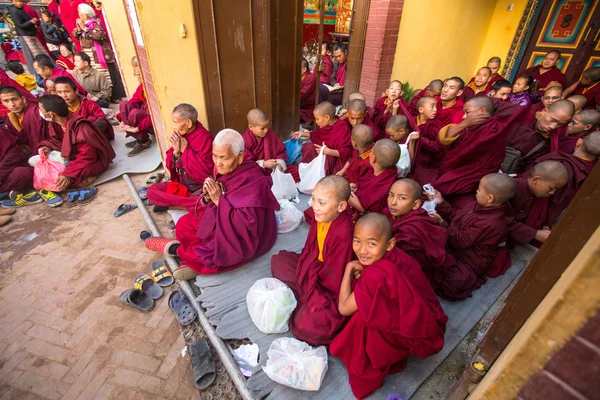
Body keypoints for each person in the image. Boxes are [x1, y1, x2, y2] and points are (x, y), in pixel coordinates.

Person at [330, 213, 447, 400]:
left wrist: (348, 270)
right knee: (363, 301)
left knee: (360, 317)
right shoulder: (398, 256)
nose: (362, 250)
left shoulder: (376, 275)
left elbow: (343, 308)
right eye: (357, 241)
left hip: (408, 333)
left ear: (390, 244)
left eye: (372, 244)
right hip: (423, 323)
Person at [145, 129, 280, 280]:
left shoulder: (254, 180)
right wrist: (208, 198)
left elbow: (246, 226)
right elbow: (216, 201)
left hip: (242, 234)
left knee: (219, 254)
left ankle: (177, 250)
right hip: (221, 215)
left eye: (223, 158)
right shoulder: (223, 168)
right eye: (214, 156)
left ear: (240, 157)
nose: (217, 163)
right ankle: (194, 257)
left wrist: (218, 200)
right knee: (183, 224)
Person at [271, 175, 354, 345]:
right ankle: (303, 299)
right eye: (313, 199)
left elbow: (334, 280)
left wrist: (312, 284)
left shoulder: (344, 232)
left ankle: (304, 301)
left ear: (341, 206)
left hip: (327, 285)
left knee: (307, 326)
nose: (314, 207)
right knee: (279, 260)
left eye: (321, 203)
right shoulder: (322, 215)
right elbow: (310, 250)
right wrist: (308, 271)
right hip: (313, 268)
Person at [430, 173, 517, 299]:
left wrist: (441, 222)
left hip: (467, 259)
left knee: (454, 283)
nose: (476, 191)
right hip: (454, 241)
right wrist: (441, 202)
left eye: (480, 189)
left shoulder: (491, 223)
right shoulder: (479, 204)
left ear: (490, 198)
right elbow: (456, 216)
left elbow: (459, 241)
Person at [434, 97, 515, 200]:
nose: (464, 116)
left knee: (442, 185)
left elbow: (469, 155)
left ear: (482, 111)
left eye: (467, 112)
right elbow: (442, 140)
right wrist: (465, 124)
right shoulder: (469, 126)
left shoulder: (492, 130)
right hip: (455, 166)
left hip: (475, 172)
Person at [384, 179, 454, 288]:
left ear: (416, 204)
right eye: (391, 195)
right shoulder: (393, 214)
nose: (393, 202)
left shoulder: (410, 229)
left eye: (402, 198)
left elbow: (411, 265)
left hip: (419, 274)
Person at [37, 94, 115, 190]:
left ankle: (88, 177)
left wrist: (67, 174)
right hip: (72, 159)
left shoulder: (81, 127)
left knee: (63, 181)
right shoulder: (54, 124)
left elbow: (87, 156)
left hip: (92, 160)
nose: (39, 112)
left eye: (41, 109)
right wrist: (47, 147)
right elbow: (54, 141)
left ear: (50, 114)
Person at [146, 104, 214, 212]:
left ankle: (176, 206)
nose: (173, 126)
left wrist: (185, 150)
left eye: (175, 122)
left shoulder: (204, 139)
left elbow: (206, 173)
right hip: (183, 186)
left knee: (209, 202)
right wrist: (176, 152)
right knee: (151, 192)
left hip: (199, 189)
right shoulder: (181, 136)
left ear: (188, 123)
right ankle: (192, 205)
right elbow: (171, 166)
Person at [524, 132, 600, 228]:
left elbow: (527, 178)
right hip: (547, 221)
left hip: (526, 209)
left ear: (579, 142)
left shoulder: (554, 159)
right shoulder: (590, 176)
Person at [72, 3, 126, 101]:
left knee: (106, 76)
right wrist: (80, 29)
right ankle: (101, 95)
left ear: (85, 14)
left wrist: (85, 29)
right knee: (95, 75)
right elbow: (75, 35)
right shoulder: (81, 25)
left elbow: (98, 36)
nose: (79, 15)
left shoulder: (95, 23)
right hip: (89, 55)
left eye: (80, 13)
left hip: (99, 55)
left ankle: (114, 96)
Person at [507, 160, 568, 246]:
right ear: (536, 180)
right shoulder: (510, 189)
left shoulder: (541, 195)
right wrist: (535, 234)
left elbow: (541, 216)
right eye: (551, 188)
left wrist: (544, 226)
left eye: (556, 189)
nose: (552, 193)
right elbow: (502, 220)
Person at [506, 99, 574, 171]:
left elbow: (532, 167)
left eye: (560, 124)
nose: (553, 126)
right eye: (553, 120)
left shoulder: (548, 142)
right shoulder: (519, 117)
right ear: (544, 111)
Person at [294, 101, 352, 175]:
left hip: (333, 158)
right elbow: (317, 135)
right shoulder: (325, 126)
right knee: (308, 147)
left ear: (327, 117)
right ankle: (308, 174)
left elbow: (347, 151)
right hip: (323, 152)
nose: (316, 122)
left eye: (317, 119)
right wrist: (302, 134)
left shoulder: (342, 127)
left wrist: (328, 151)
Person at [242, 108, 299, 182]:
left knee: (295, 171)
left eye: (267, 126)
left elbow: (281, 151)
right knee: (251, 179)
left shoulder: (270, 134)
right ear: (251, 127)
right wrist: (263, 164)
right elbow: (246, 164)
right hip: (257, 171)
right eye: (262, 128)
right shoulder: (245, 141)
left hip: (273, 169)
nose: (266, 130)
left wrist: (279, 163)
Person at [348, 138, 400, 216]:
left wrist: (360, 208)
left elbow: (380, 216)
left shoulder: (391, 188)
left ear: (373, 159)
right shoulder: (386, 172)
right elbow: (365, 181)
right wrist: (357, 186)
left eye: (371, 152)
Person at [119, 57, 153, 157]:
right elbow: (133, 101)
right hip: (144, 118)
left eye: (139, 74)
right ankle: (141, 139)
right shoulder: (142, 87)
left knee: (135, 113)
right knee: (124, 104)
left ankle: (143, 141)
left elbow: (154, 115)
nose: (138, 77)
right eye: (136, 74)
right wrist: (122, 120)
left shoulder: (153, 87)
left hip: (151, 122)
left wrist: (137, 129)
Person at [9, 0, 52, 75]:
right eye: (17, 1)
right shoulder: (13, 11)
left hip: (32, 33)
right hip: (25, 34)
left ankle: (47, 65)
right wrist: (31, 22)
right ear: (13, 2)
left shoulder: (23, 8)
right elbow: (19, 25)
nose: (19, 3)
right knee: (32, 54)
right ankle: (36, 71)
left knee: (41, 51)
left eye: (20, 1)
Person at [0, 86, 48, 152]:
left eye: (14, 99)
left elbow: (39, 139)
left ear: (23, 99)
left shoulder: (35, 112)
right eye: (6, 101)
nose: (12, 104)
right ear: (2, 103)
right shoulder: (11, 117)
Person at [410, 96, 445, 185]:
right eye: (432, 106)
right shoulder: (412, 121)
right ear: (421, 109)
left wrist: (421, 139)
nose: (435, 110)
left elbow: (438, 146)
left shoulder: (436, 125)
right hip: (410, 155)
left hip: (425, 161)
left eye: (436, 107)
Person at [0, 124, 33, 195]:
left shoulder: (1, 133)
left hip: (6, 171)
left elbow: (13, 155)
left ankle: (9, 191)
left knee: (22, 172)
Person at [299, 58, 316, 126]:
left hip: (307, 109)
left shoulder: (311, 78)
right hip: (299, 106)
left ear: (304, 69)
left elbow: (302, 94)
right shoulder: (298, 77)